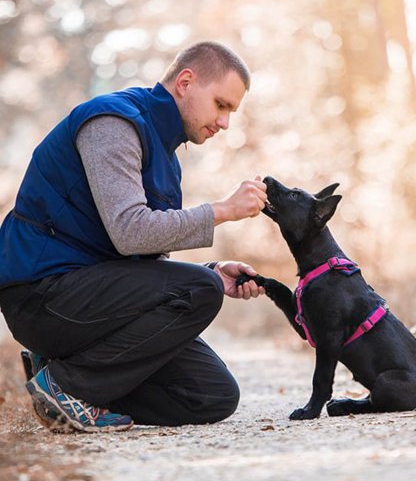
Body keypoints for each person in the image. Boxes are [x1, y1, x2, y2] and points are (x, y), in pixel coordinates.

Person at [0, 41, 267, 433]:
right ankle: (67, 387)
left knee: (212, 394)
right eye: (221, 105)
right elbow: (130, 232)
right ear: (186, 82)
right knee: (201, 289)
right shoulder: (113, 123)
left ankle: (64, 372)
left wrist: (212, 271)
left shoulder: (166, 155)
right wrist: (222, 211)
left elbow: (142, 262)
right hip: (42, 297)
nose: (224, 123)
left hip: (87, 300)